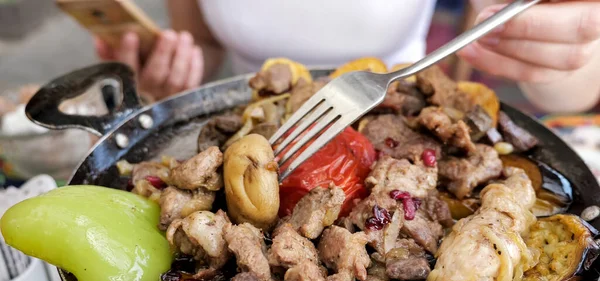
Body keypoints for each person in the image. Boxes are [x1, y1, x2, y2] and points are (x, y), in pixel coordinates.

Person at [95, 0, 600, 114]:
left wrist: (560, 50)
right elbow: (201, 41)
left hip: (400, 108)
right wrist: (170, 74)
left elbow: (575, 92)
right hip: (251, 121)